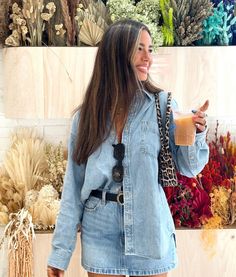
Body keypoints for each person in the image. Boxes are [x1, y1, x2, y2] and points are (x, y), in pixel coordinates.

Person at [47, 19, 209, 277]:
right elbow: (73, 187)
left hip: (150, 229)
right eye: (139, 49)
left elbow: (189, 168)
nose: (148, 58)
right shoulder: (86, 117)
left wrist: (196, 133)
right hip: (100, 232)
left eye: (150, 49)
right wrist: (60, 254)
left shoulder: (163, 105)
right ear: (116, 53)